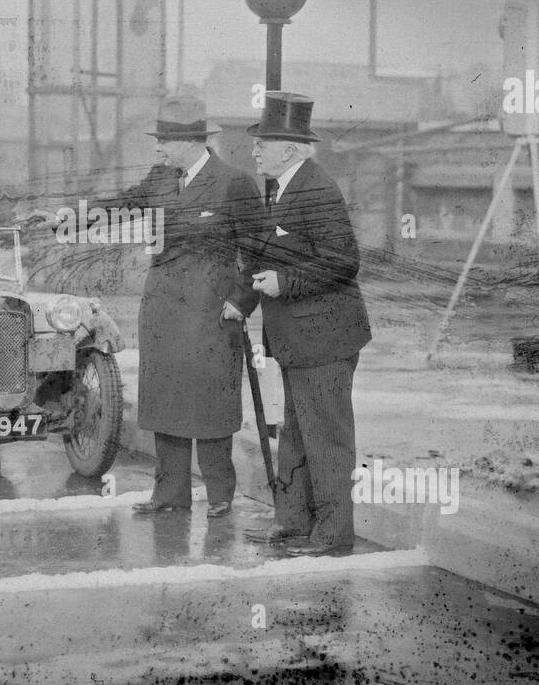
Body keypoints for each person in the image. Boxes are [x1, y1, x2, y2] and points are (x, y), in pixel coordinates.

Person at [99, 97, 264, 518]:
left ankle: (220, 494)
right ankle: (169, 495)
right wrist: (71, 216)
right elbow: (123, 205)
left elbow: (259, 251)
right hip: (163, 309)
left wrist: (241, 302)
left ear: (191, 142)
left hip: (211, 311)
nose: (157, 149)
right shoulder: (159, 178)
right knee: (165, 400)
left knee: (208, 401)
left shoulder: (233, 183)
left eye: (164, 142)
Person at [247, 93, 371, 556]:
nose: (256, 150)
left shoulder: (315, 189)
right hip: (302, 338)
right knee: (297, 434)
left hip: (324, 337)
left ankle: (334, 536)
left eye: (264, 142)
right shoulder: (286, 187)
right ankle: (295, 522)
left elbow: (345, 262)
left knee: (327, 439)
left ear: (292, 150)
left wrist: (287, 281)